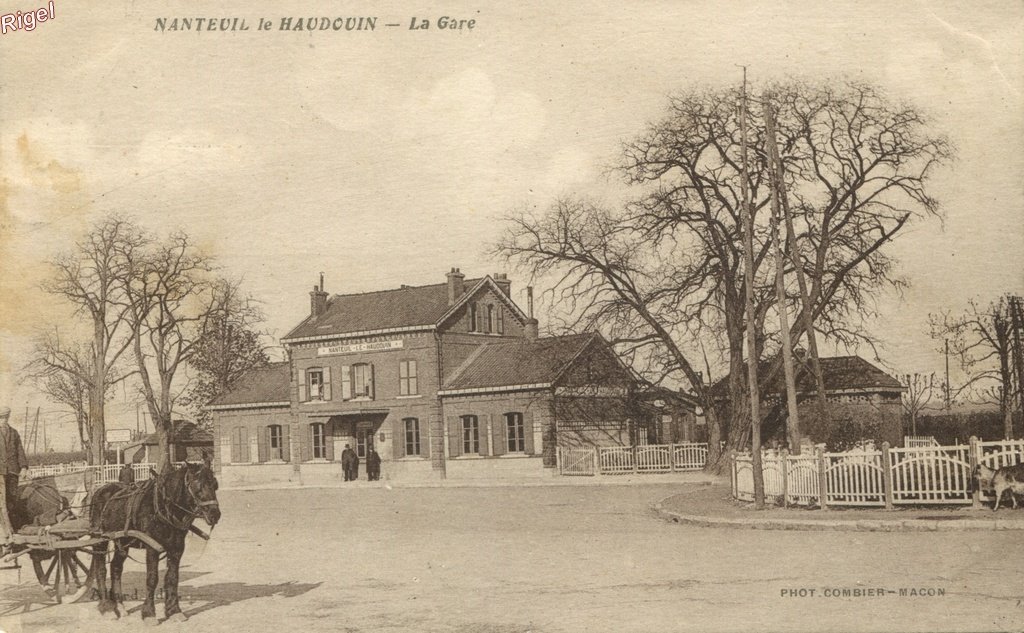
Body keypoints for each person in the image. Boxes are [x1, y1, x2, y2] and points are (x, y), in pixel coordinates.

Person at [0, 407, 29, 541]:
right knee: (2, 501)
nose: (3, 420)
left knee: (12, 499)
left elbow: (20, 451)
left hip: (12, 471)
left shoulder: (14, 433)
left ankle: (13, 528)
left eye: (5, 417)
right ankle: (4, 531)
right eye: (1, 418)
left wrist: (23, 467)